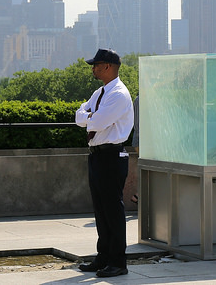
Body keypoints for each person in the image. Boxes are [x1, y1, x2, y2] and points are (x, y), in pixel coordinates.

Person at [75, 48, 133, 277]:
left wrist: (86, 118)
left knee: (112, 211)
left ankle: (118, 262)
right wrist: (86, 117)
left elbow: (95, 122)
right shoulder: (101, 92)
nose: (93, 68)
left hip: (111, 157)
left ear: (107, 67)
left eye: (96, 65)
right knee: (101, 211)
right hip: (98, 156)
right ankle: (104, 257)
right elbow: (80, 115)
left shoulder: (118, 94)